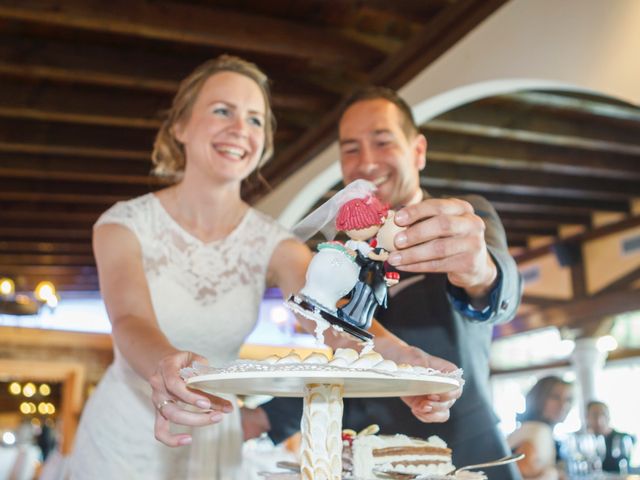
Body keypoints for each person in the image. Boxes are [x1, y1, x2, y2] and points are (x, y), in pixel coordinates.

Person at [68, 58, 461, 479]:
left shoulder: (274, 242)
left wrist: (405, 360)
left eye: (255, 119)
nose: (240, 128)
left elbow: (331, 318)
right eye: (222, 110)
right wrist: (165, 365)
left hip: (215, 436)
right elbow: (129, 319)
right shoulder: (123, 223)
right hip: (124, 437)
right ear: (180, 126)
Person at [254, 86, 524, 479]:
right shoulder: (334, 255)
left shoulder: (463, 219)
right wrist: (264, 418)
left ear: (417, 151)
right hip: (364, 462)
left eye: (382, 142)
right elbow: (341, 355)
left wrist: (481, 270)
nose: (366, 162)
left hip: (461, 451)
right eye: (350, 149)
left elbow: (498, 291)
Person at [508, 376, 574, 479]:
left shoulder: (533, 428)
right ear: (538, 398)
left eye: (568, 399)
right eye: (555, 397)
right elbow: (521, 470)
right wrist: (555, 474)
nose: (563, 405)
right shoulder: (537, 431)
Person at [586, 400, 636, 473]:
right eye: (594, 415)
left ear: (609, 417)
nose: (600, 419)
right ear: (587, 417)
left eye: (603, 414)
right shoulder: (582, 441)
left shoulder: (623, 438)